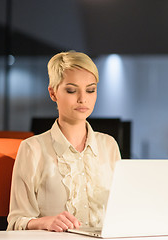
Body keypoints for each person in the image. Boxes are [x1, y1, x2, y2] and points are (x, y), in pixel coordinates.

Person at [7, 51, 122, 232]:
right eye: (71, 90)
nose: (83, 98)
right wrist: (44, 222)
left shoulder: (109, 145)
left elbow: (121, 211)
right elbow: (15, 222)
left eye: (91, 90)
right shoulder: (32, 149)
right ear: (53, 93)